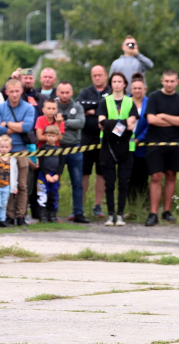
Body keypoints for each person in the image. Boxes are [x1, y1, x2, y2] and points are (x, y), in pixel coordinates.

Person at [141, 70, 179, 226]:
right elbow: (151, 119)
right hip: (155, 143)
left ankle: (166, 211)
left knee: (171, 175)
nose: (169, 84)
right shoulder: (154, 97)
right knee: (156, 176)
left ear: (177, 82)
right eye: (166, 81)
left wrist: (163, 116)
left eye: (172, 81)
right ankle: (153, 213)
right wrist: (172, 121)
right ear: (162, 81)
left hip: (175, 143)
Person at [0, 78, 35, 226]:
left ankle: (21, 215)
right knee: (5, 184)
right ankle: (8, 215)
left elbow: (27, 127)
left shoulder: (28, 108)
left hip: (21, 150)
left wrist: (7, 124)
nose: (14, 94)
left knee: (22, 185)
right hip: (4, 152)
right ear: (6, 92)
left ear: (21, 91)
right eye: (11, 91)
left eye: (17, 91)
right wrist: (17, 126)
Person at [98, 72, 138, 227]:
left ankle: (120, 214)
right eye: (114, 81)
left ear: (125, 84)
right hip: (108, 146)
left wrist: (111, 125)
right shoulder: (105, 101)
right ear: (111, 84)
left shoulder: (130, 102)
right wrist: (123, 124)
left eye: (119, 81)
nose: (116, 84)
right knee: (109, 183)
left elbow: (132, 125)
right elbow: (101, 123)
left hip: (126, 146)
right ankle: (110, 214)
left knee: (123, 183)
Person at [77, 65, 111, 218]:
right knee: (84, 172)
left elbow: (111, 108)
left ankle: (98, 205)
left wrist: (92, 110)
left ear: (105, 75)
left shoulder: (111, 91)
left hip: (105, 138)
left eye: (99, 75)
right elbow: (79, 106)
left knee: (101, 172)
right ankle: (80, 206)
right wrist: (100, 108)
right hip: (87, 137)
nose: (97, 78)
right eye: (94, 75)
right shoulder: (86, 91)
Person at [54, 82, 89, 223]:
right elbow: (50, 123)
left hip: (75, 148)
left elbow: (80, 123)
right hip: (57, 148)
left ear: (72, 93)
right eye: (62, 92)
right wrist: (69, 122)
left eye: (67, 92)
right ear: (57, 93)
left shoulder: (77, 107)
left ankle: (78, 212)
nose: (64, 95)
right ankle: (52, 212)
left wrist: (62, 122)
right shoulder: (53, 106)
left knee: (77, 182)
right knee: (54, 181)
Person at [32, 98, 65, 220]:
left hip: (55, 167)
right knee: (41, 191)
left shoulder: (60, 121)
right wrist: (51, 135)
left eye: (53, 108)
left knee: (53, 192)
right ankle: (41, 214)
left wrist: (58, 124)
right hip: (44, 165)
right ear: (43, 109)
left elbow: (59, 137)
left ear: (57, 109)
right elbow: (39, 137)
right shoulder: (40, 119)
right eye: (49, 108)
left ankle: (52, 214)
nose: (51, 111)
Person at [37, 125, 65, 223]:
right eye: (49, 135)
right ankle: (43, 215)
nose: (51, 138)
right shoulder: (43, 148)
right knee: (42, 195)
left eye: (53, 136)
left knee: (54, 194)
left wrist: (57, 174)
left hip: (55, 176)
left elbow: (62, 164)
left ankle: (52, 214)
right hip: (44, 175)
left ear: (57, 137)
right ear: (45, 136)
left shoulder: (60, 149)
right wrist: (46, 174)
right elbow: (41, 163)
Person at [130, 74, 150, 201]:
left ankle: (144, 204)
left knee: (143, 177)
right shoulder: (124, 102)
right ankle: (130, 204)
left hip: (142, 147)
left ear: (144, 89)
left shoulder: (149, 103)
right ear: (130, 89)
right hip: (126, 146)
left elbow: (150, 125)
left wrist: (139, 139)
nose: (137, 91)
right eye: (135, 88)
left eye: (140, 88)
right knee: (128, 177)